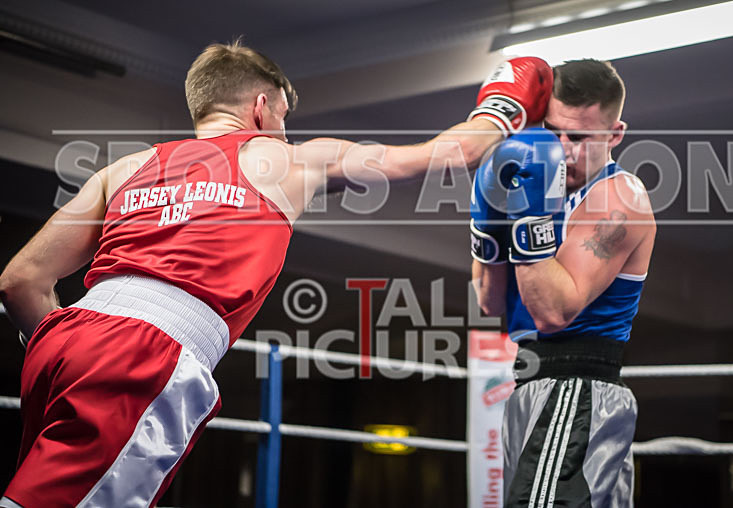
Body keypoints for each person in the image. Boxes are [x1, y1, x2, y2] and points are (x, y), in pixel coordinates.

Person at [0, 40, 553, 507]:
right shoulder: (290, 160)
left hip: (63, 341)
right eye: (284, 116)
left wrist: (73, 345)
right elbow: (441, 157)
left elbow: (20, 280)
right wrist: (502, 108)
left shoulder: (125, 168)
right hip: (142, 355)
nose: (285, 129)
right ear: (262, 107)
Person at [471, 59, 656, 507]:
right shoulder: (541, 184)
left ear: (614, 135)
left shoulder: (618, 198)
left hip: (575, 388)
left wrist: (525, 213)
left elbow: (554, 311)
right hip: (533, 383)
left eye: (579, 137)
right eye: (553, 132)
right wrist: (488, 218)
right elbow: (490, 300)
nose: (564, 150)